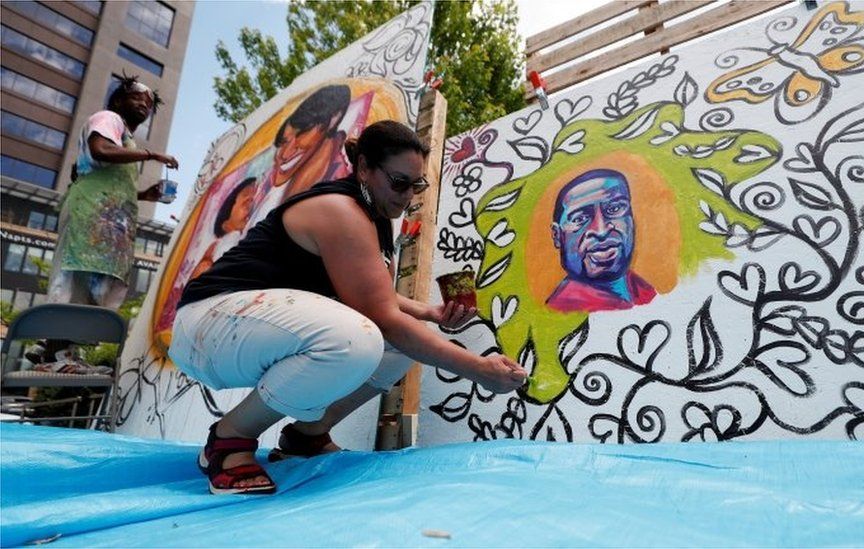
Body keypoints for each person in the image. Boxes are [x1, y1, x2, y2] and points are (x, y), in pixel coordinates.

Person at [169, 120, 527, 495]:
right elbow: (382, 317)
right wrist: (479, 369)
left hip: (246, 327)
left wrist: (429, 313)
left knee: (397, 348)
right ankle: (229, 439)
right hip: (207, 323)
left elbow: (373, 294)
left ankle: (307, 436)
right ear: (364, 169)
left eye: (416, 185)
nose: (406, 196)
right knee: (359, 339)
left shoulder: (376, 216)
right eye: (399, 182)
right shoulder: (342, 210)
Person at [29, 76, 179, 367]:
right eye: (137, 97)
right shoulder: (108, 118)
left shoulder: (126, 138)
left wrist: (145, 194)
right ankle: (55, 353)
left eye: (149, 103)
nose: (144, 105)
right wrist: (152, 155)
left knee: (92, 287)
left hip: (107, 223)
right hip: (91, 217)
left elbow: (109, 180)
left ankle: (57, 349)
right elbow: (100, 149)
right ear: (118, 100)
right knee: (79, 279)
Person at [546, 169, 656, 312]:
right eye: (579, 219)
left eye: (615, 208)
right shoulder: (563, 312)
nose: (601, 231)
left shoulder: (645, 292)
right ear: (557, 236)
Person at [246, 85, 350, 228]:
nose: (285, 154)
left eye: (301, 136)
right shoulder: (265, 185)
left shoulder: (337, 181)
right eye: (284, 142)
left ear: (333, 122)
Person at [190, 177, 257, 280]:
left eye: (252, 200)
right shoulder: (224, 246)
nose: (249, 207)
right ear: (225, 224)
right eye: (245, 202)